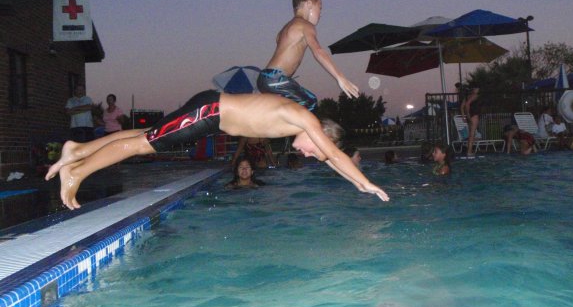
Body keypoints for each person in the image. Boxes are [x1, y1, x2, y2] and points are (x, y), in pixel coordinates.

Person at [46, 91, 389, 209]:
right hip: (208, 113)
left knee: (145, 135)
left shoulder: (299, 122)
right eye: (315, 151)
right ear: (322, 134)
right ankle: (76, 172)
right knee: (143, 145)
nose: (309, 155)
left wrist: (356, 183)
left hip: (209, 113)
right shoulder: (305, 119)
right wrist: (367, 183)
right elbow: (335, 155)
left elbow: (332, 159)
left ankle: (78, 150)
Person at [257, 0, 359, 110]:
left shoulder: (285, 29)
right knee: (310, 101)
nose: (320, 14)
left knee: (286, 108)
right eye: (320, 8)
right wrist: (340, 78)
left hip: (265, 79)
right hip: (276, 79)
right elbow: (318, 51)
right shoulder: (305, 25)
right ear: (309, 4)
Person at [461, 85, 481, 157]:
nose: (478, 90)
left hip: (470, 116)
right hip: (474, 116)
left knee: (471, 135)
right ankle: (469, 152)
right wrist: (468, 115)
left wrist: (464, 116)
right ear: (474, 89)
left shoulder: (467, 96)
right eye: (477, 89)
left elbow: (462, 107)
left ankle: (469, 150)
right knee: (472, 135)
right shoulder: (474, 96)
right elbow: (467, 105)